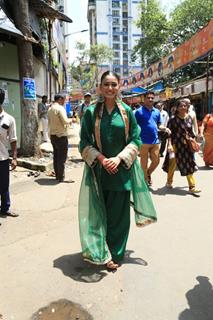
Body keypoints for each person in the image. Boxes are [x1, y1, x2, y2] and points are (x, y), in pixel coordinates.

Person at [78, 71, 157, 271]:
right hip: (99, 172)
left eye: (114, 84)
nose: (110, 88)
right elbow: (84, 142)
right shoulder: (91, 112)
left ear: (119, 86)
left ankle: (115, 253)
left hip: (121, 171)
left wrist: (119, 158)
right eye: (106, 84)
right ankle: (100, 251)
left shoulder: (127, 112)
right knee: (98, 215)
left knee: (119, 217)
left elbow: (136, 139)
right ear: (100, 87)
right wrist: (103, 159)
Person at [163, 99, 201, 194]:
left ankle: (192, 187)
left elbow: (191, 132)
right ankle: (169, 181)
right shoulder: (173, 119)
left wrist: (194, 139)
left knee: (188, 163)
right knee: (172, 164)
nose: (183, 107)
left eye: (185, 106)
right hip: (175, 145)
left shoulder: (189, 118)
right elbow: (169, 134)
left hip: (186, 146)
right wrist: (170, 145)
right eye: (181, 106)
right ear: (177, 108)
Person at [134, 91, 170, 186]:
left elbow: (159, 125)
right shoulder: (138, 112)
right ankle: (145, 180)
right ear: (144, 99)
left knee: (156, 161)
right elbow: (133, 125)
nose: (150, 99)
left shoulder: (157, 112)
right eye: (148, 98)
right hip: (143, 142)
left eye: (152, 98)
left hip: (155, 140)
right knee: (144, 164)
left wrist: (164, 128)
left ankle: (148, 173)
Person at [0, 88, 19, 223]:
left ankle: (5, 208)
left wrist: (14, 158)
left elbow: (13, 139)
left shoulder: (9, 119)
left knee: (4, 185)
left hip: (2, 157)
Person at [48, 94, 73, 182]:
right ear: (60, 99)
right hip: (61, 135)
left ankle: (57, 176)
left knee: (56, 156)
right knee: (62, 157)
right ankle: (61, 177)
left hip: (53, 135)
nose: (64, 102)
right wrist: (71, 120)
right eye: (64, 100)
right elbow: (65, 121)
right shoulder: (60, 108)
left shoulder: (50, 109)